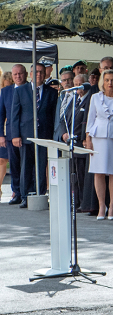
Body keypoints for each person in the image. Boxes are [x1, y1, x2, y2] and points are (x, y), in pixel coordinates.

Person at [11, 62, 58, 206]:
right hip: (26, 135)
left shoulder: (51, 92)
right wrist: (15, 135)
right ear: (30, 74)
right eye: (36, 72)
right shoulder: (21, 90)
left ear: (45, 74)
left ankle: (40, 193)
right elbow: (15, 115)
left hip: (44, 135)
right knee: (26, 166)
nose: (38, 74)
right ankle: (25, 196)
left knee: (42, 165)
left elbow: (53, 115)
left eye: (41, 72)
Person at [85, 69, 113, 220]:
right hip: (98, 137)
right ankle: (102, 205)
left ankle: (112, 206)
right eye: (107, 80)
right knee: (98, 172)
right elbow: (90, 119)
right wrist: (88, 139)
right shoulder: (95, 97)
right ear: (103, 81)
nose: (110, 83)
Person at [54, 71, 93, 210]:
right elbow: (64, 117)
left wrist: (83, 137)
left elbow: (86, 121)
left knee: (82, 175)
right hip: (70, 143)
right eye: (75, 85)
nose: (77, 88)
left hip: (81, 143)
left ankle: (83, 202)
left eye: (79, 85)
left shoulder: (90, 99)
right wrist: (63, 133)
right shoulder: (74, 99)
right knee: (74, 175)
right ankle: (75, 201)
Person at [0, 69, 22, 204]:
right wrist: (1, 135)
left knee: (19, 163)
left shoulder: (21, 90)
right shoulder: (4, 93)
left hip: (20, 132)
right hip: (6, 132)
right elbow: (1, 114)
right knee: (6, 162)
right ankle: (12, 190)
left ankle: (19, 191)